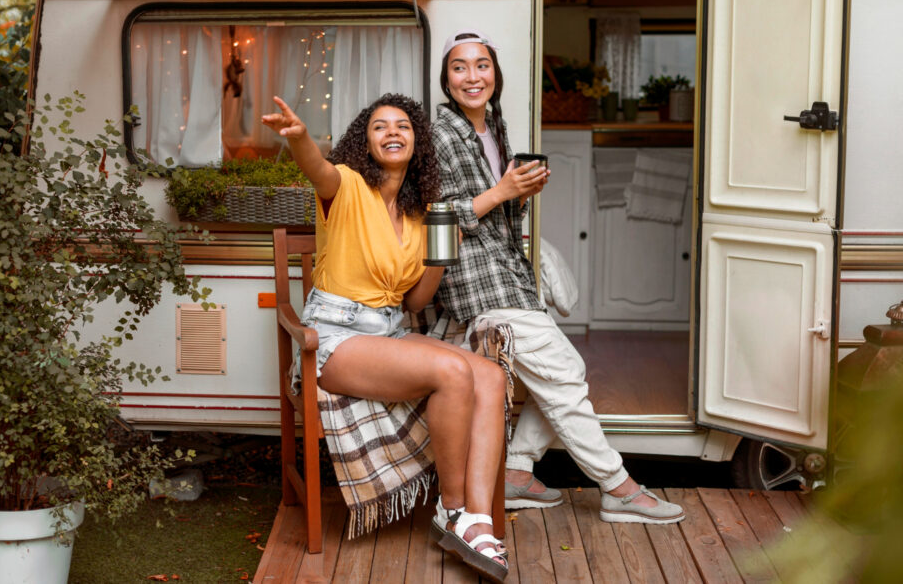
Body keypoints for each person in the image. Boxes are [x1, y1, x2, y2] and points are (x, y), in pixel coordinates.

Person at [431, 30, 685, 524]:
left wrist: (519, 194)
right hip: (476, 279)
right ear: (446, 79)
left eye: (481, 65)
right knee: (565, 376)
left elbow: (497, 212)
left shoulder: (492, 124)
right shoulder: (442, 132)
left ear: (495, 74)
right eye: (459, 68)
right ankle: (619, 488)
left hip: (508, 272)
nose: (472, 76)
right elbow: (436, 218)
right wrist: (502, 192)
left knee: (565, 372)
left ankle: (518, 472)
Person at [262, 93, 510, 582]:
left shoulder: (422, 214)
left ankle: (476, 519)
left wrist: (441, 256)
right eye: (380, 126)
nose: (393, 132)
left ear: (418, 143)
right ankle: (452, 508)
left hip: (390, 333)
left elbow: (416, 304)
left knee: (491, 375)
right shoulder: (347, 186)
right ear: (364, 140)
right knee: (453, 369)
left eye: (404, 125)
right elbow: (319, 170)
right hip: (332, 341)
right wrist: (299, 139)